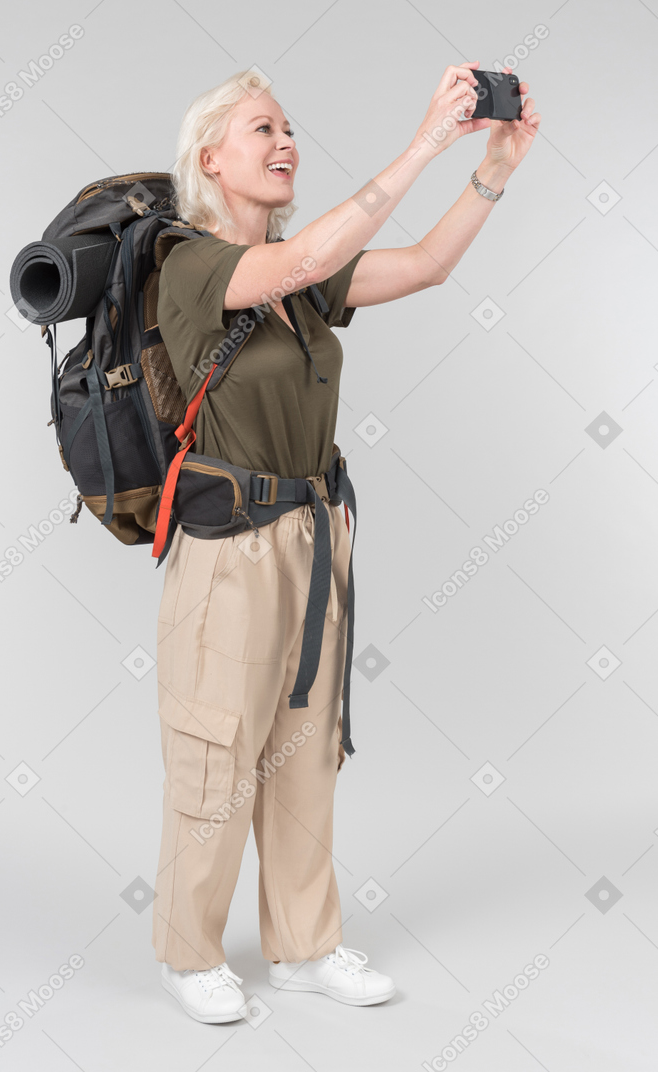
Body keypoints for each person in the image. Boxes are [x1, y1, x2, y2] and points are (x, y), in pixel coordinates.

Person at [151, 65, 540, 1024]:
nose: (286, 142)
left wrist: (493, 165)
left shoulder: (304, 278)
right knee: (219, 748)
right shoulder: (193, 264)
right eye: (261, 130)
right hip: (230, 549)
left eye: (289, 127)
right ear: (211, 161)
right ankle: (190, 952)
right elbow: (285, 264)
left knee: (303, 748)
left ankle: (304, 945)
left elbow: (425, 265)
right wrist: (421, 142)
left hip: (316, 538)